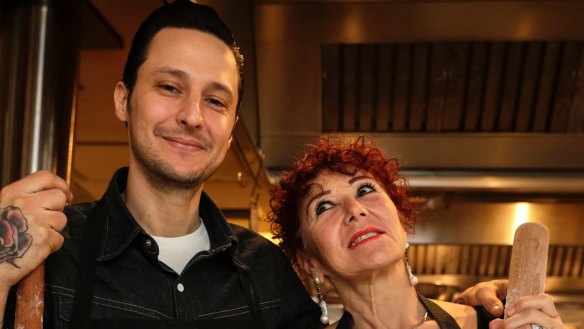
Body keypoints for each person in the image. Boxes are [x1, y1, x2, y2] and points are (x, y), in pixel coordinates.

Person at [0, 1, 511, 328]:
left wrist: (480, 310)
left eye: (217, 101)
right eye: (170, 87)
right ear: (122, 99)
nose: (193, 116)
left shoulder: (267, 275)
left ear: (229, 128)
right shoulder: (44, 248)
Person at [268, 136, 566, 329]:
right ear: (309, 262)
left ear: (400, 219)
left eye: (365, 189)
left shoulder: (495, 322)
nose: (355, 209)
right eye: (324, 207)